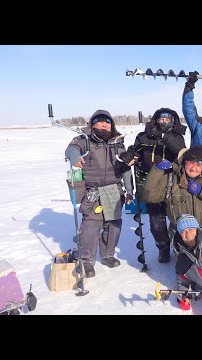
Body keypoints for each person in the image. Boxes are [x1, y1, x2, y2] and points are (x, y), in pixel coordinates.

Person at [65, 109, 133, 278]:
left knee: (114, 225)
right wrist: (75, 157)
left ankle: (108, 254)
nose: (104, 124)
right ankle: (86, 260)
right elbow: (71, 149)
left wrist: (130, 190)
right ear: (93, 124)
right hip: (92, 191)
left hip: (113, 190)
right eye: (100, 121)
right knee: (91, 226)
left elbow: (125, 168)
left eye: (107, 122)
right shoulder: (84, 140)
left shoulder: (117, 142)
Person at [119, 108, 186, 263]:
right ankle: (163, 248)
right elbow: (135, 152)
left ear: (172, 121)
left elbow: (179, 150)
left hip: (172, 183)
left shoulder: (177, 137)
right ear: (156, 120)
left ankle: (179, 247)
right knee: (156, 223)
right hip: (151, 183)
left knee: (177, 219)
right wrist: (130, 155)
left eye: (167, 119)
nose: (164, 122)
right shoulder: (143, 137)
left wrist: (163, 137)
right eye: (161, 119)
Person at [141, 145, 202, 249]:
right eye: (191, 163)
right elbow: (148, 196)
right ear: (184, 163)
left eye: (198, 164)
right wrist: (157, 171)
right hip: (183, 235)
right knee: (186, 263)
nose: (194, 168)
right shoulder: (171, 180)